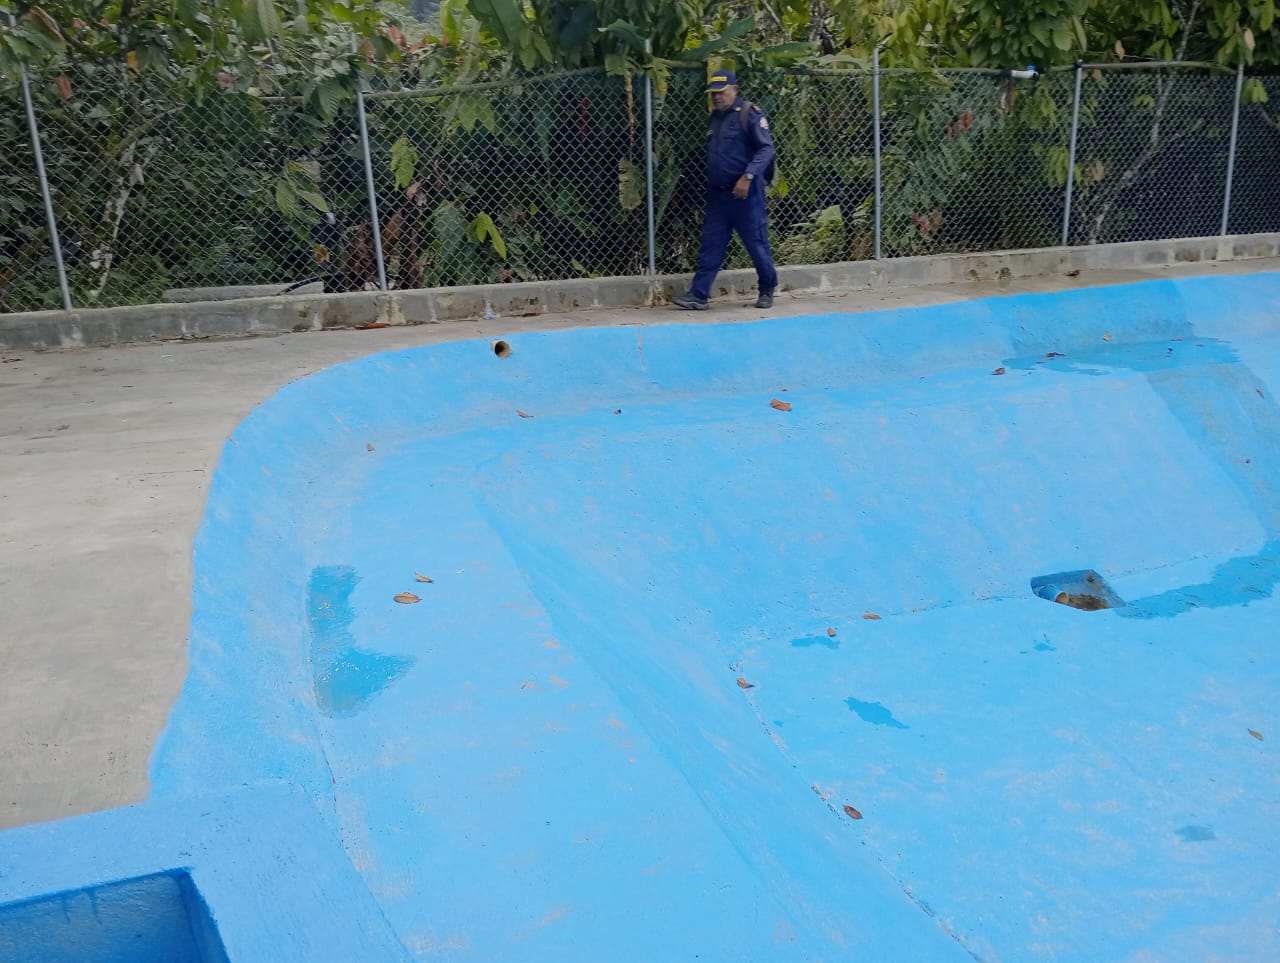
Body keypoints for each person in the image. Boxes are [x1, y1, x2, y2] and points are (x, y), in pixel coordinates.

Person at [672, 70, 779, 311]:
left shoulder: (750, 114)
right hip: (719, 196)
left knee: (756, 244)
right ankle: (699, 295)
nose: (717, 97)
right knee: (711, 244)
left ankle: (767, 289)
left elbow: (766, 149)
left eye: (722, 92)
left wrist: (748, 176)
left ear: (735, 90)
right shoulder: (716, 118)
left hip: (746, 195)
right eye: (714, 94)